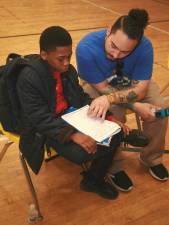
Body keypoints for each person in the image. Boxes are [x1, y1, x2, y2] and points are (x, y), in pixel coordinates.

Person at [16, 26, 126, 200]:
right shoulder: (29, 78)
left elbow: (80, 97)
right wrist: (73, 135)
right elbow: (39, 118)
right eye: (61, 58)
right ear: (44, 55)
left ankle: (93, 179)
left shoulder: (68, 71)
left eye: (69, 56)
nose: (67, 62)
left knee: (116, 132)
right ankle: (95, 176)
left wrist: (108, 117)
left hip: (72, 115)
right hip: (47, 126)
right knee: (82, 153)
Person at [76, 8, 168, 192]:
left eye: (125, 52)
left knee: (160, 109)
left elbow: (141, 90)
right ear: (108, 30)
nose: (116, 55)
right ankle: (114, 166)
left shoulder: (145, 46)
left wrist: (138, 102)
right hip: (99, 85)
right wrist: (136, 106)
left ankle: (151, 157)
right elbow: (103, 89)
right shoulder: (85, 49)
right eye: (113, 46)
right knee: (111, 114)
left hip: (130, 86)